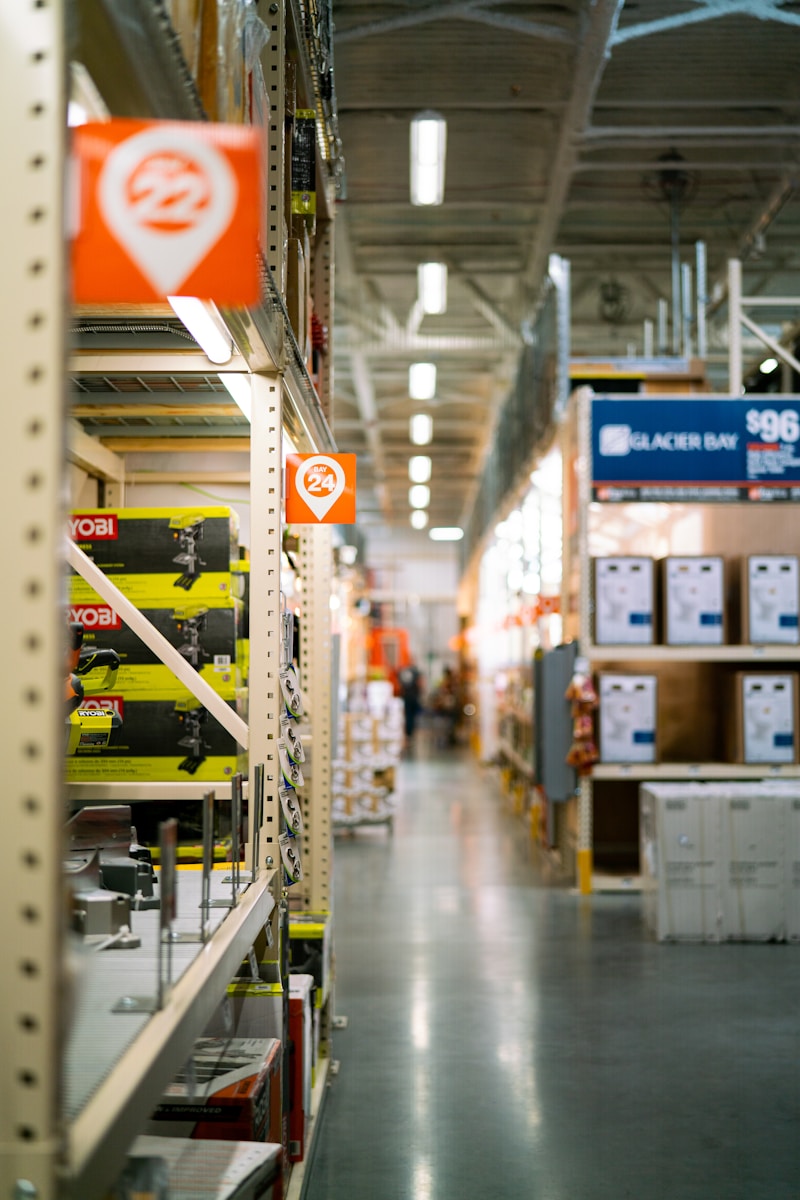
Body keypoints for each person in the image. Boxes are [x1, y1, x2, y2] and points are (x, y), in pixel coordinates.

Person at [397, 661, 423, 749]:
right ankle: (409, 734)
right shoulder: (415, 672)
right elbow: (420, 683)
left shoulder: (403, 672)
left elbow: (400, 684)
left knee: (408, 716)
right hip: (413, 697)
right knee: (411, 716)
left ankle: (408, 735)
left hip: (406, 697)